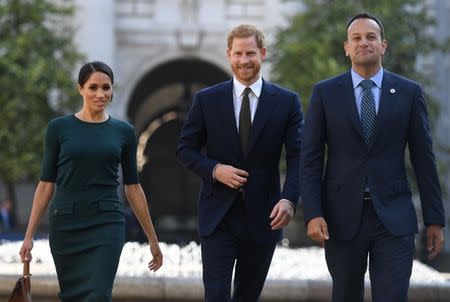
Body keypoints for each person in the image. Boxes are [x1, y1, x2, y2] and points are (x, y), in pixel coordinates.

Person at [301, 12, 446, 302]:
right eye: (356, 38)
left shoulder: (408, 92)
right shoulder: (325, 93)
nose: (363, 42)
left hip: (393, 218)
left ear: (383, 45)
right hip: (340, 219)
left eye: (371, 37)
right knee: (344, 295)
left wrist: (434, 219)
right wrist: (313, 213)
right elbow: (311, 159)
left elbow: (423, 159)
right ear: (346, 47)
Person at [176, 24, 303, 301]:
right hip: (218, 216)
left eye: (250, 53)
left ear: (263, 53)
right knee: (217, 294)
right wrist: (214, 169)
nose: (244, 60)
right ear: (228, 55)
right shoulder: (206, 100)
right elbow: (185, 149)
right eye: (238, 54)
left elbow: (299, 157)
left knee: (248, 295)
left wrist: (289, 199)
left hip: (265, 217)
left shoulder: (287, 102)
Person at [19, 61, 163, 301]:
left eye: (106, 88)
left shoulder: (124, 132)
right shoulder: (58, 128)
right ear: (80, 89)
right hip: (66, 224)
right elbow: (46, 184)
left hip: (106, 223)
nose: (101, 94)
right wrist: (29, 235)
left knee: (98, 294)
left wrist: (152, 239)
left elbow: (133, 188)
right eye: (93, 87)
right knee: (72, 296)